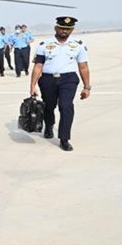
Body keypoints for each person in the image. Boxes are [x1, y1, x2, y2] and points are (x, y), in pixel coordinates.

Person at [30, 16, 91, 151]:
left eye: (68, 29)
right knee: (49, 106)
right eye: (62, 28)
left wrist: (87, 87)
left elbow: (83, 67)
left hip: (68, 79)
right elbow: (38, 66)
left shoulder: (78, 44)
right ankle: (49, 125)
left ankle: (64, 138)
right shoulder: (44, 44)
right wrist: (32, 86)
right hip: (48, 79)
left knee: (66, 106)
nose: (64, 31)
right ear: (56, 28)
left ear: (72, 30)